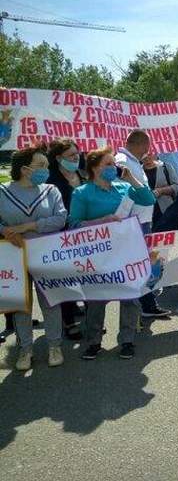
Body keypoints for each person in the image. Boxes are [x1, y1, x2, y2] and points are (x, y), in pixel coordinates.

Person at [69, 146, 156, 360]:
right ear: (94, 168)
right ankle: (93, 342)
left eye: (113, 163)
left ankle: (127, 340)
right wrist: (101, 222)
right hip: (97, 255)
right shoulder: (82, 193)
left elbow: (148, 199)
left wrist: (132, 179)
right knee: (96, 299)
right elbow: (73, 225)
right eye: (108, 164)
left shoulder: (122, 187)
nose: (113, 167)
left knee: (130, 297)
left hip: (125, 250)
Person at [0, 143, 67, 370]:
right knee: (21, 304)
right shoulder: (3, 192)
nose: (45, 170)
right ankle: (25, 350)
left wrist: (25, 227)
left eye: (47, 165)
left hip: (46, 254)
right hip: (14, 254)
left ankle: (54, 346)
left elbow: (59, 219)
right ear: (25, 169)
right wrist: (6, 232)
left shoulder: (52, 191)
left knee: (50, 300)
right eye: (40, 165)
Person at [115, 130, 170, 318]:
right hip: (133, 222)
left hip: (143, 221)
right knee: (138, 267)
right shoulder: (122, 161)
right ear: (140, 145)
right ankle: (141, 307)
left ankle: (147, 304)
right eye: (147, 146)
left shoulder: (133, 162)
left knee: (145, 265)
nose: (148, 150)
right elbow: (124, 193)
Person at [46, 138, 86, 340]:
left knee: (85, 275)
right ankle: (68, 322)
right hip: (61, 236)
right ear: (58, 158)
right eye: (71, 155)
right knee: (67, 278)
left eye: (77, 154)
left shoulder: (82, 174)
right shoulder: (50, 182)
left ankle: (88, 318)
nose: (76, 158)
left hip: (84, 235)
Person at [141, 152, 178, 229]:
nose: (146, 157)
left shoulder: (166, 167)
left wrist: (161, 191)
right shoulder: (138, 171)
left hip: (167, 212)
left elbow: (177, 187)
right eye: (143, 155)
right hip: (147, 214)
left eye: (149, 154)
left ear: (155, 153)